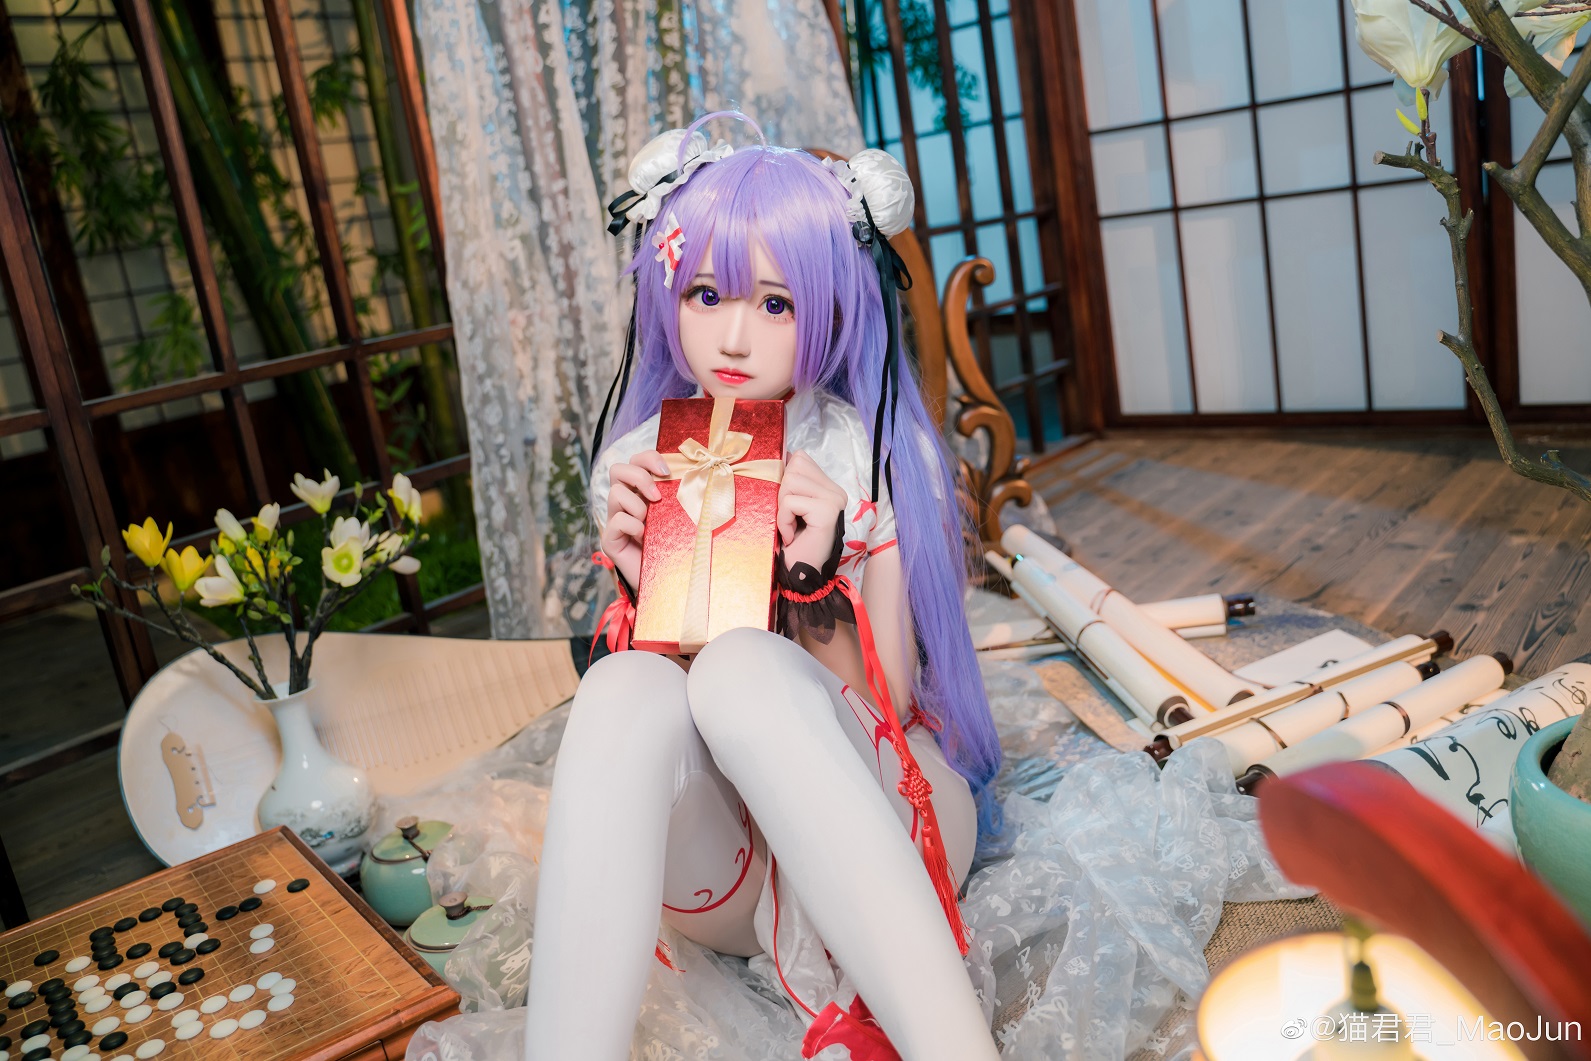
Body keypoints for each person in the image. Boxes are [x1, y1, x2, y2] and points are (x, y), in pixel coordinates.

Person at [524, 112, 1003, 1061]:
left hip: (885, 826)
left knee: (742, 667)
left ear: (830, 307)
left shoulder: (865, 451)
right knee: (621, 684)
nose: (734, 335)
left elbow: (891, 705)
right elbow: (663, 732)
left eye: (776, 304)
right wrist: (642, 590)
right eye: (705, 293)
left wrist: (816, 571)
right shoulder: (640, 458)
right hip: (729, 875)